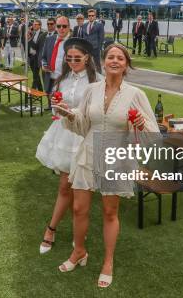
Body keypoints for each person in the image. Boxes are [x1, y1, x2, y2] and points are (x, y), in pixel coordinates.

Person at [56, 43, 159, 288]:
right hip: (88, 153)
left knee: (110, 212)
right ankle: (79, 251)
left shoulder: (136, 94)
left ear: (126, 64)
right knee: (79, 208)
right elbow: (83, 124)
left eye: (119, 58)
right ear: (103, 62)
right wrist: (69, 114)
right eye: (110, 57)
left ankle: (108, 262)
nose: (114, 61)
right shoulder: (91, 89)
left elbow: (153, 135)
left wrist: (140, 121)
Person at [36, 37, 101, 255]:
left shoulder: (97, 82)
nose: (73, 62)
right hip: (65, 136)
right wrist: (59, 108)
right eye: (69, 58)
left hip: (85, 137)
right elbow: (55, 109)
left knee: (83, 191)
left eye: (77, 58)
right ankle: (51, 228)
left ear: (87, 58)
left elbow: (96, 114)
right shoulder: (61, 79)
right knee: (65, 186)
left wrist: (73, 112)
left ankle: (79, 235)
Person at [41, 16, 71, 94]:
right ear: (56, 27)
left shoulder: (73, 42)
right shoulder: (49, 39)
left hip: (65, 81)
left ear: (69, 27)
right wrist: (44, 65)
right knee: (50, 104)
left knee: (62, 104)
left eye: (64, 26)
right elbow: (43, 57)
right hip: (50, 79)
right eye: (58, 26)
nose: (61, 28)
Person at [27, 19, 47, 92]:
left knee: (35, 76)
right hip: (31, 56)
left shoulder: (43, 34)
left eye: (36, 24)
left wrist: (29, 39)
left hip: (37, 57)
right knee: (35, 75)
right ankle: (40, 90)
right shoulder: (34, 33)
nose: (34, 26)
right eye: (33, 24)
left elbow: (36, 46)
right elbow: (31, 45)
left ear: (40, 25)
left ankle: (32, 91)